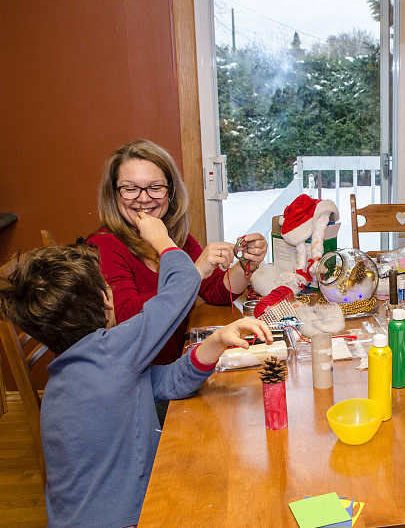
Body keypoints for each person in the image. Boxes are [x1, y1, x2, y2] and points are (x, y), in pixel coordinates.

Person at [0, 212, 272, 527]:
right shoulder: (112, 350)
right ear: (106, 300)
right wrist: (162, 240)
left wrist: (216, 342)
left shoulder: (75, 370)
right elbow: (183, 284)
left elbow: (167, 383)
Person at [88, 139, 268, 365]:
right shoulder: (104, 245)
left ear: (170, 193)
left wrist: (246, 265)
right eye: (130, 188)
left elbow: (215, 293)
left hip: (176, 361)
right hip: (142, 376)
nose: (143, 198)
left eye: (155, 187)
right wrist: (192, 271)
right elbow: (125, 319)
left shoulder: (174, 233)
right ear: (114, 195)